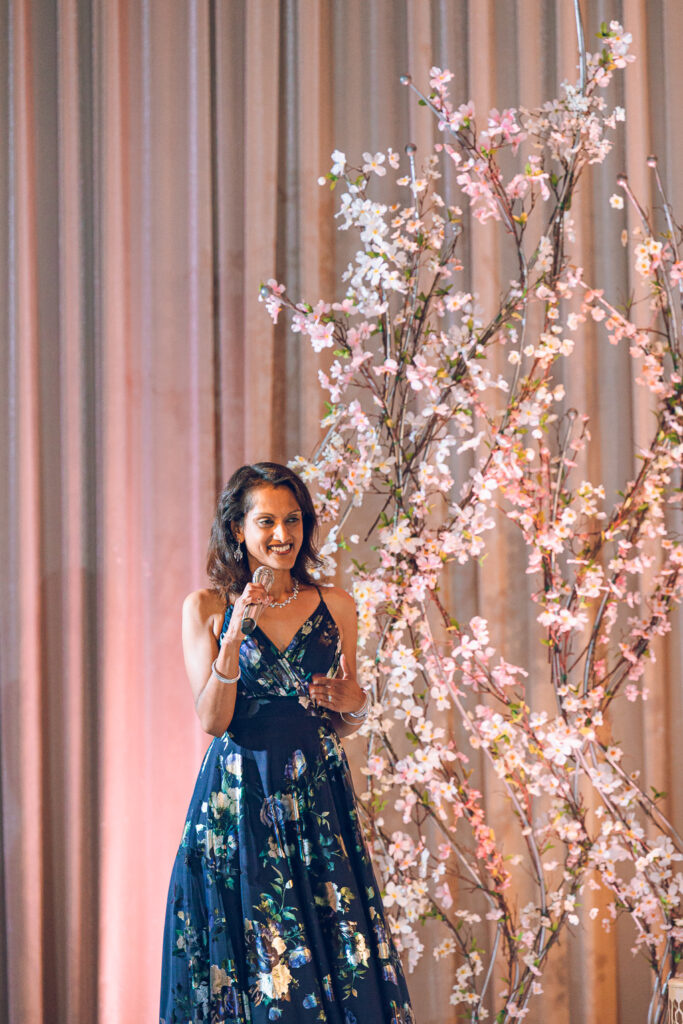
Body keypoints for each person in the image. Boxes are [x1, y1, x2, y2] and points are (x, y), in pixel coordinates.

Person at [160, 462, 414, 1024]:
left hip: (316, 797)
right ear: (237, 530)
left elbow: (339, 719)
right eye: (267, 521)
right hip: (239, 798)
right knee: (252, 949)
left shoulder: (336, 605)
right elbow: (212, 720)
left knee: (330, 948)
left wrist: (355, 704)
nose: (283, 535)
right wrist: (233, 637)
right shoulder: (204, 607)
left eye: (293, 520)